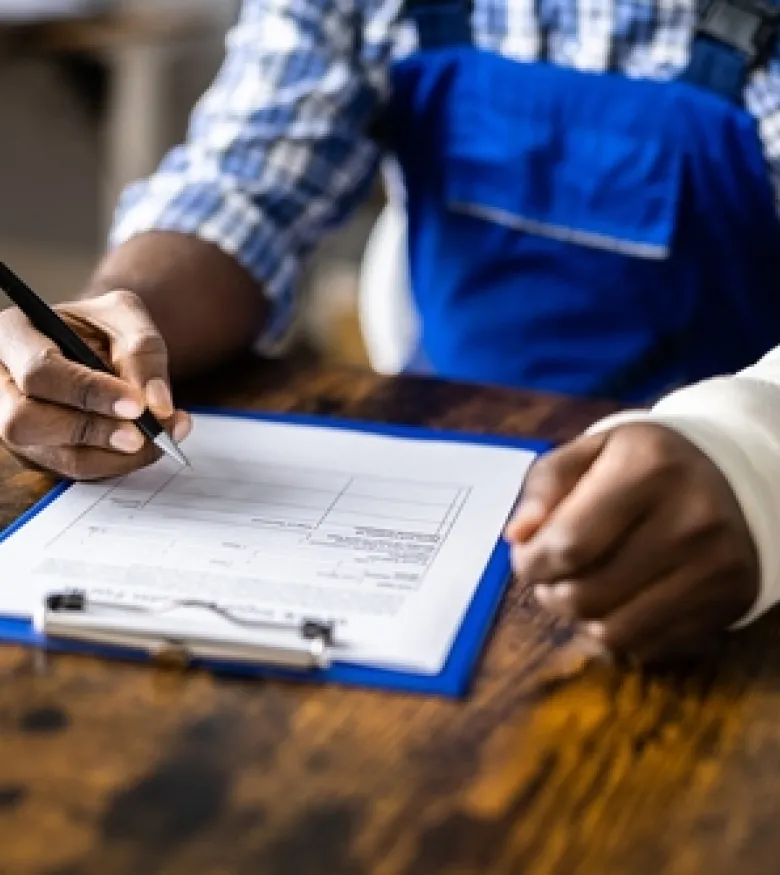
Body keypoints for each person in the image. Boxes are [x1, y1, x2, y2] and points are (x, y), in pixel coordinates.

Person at [1, 0, 779, 661]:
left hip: (709, 536)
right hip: (449, 475)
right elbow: (244, 182)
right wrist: (115, 318)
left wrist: (750, 456)